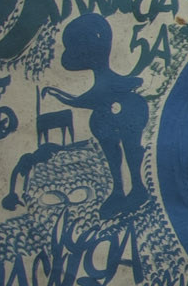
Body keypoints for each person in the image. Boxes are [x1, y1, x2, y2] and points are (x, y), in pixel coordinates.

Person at [40, 12, 149, 216]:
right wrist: (57, 93)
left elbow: (85, 99)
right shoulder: (101, 83)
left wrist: (56, 93)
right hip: (109, 119)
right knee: (114, 154)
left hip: (127, 112)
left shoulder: (108, 82)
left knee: (130, 151)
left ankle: (137, 189)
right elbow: (85, 99)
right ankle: (120, 192)